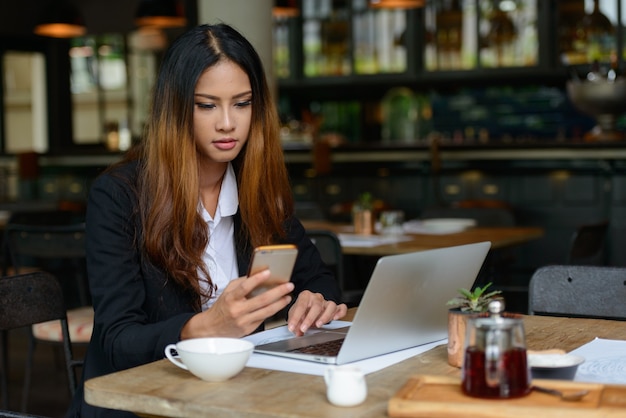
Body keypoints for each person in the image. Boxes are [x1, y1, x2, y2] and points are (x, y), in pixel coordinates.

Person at [67, 23, 347, 417]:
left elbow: (318, 279)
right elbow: (117, 341)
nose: (228, 123)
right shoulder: (119, 196)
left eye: (242, 103)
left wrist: (314, 300)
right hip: (145, 404)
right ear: (177, 108)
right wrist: (206, 326)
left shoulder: (259, 190)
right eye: (207, 104)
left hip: (237, 398)